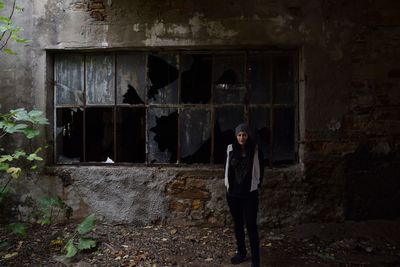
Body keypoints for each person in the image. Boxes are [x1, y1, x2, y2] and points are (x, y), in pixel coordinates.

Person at [224, 123, 264, 267]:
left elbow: (259, 169)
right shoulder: (230, 148)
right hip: (233, 194)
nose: (242, 137)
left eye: (244, 135)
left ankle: (256, 259)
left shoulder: (254, 149)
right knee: (238, 224)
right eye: (239, 135)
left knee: (251, 225)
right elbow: (227, 169)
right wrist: (227, 187)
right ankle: (241, 253)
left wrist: (256, 185)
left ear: (248, 136)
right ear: (236, 136)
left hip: (249, 194)